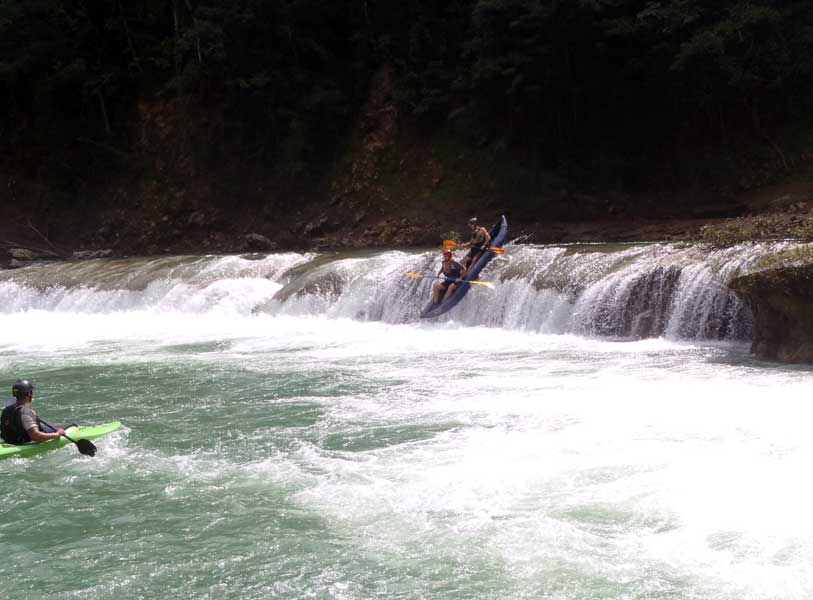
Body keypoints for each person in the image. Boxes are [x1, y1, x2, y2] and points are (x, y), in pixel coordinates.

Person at [0, 379, 66, 445]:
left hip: (10, 441)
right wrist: (57, 434)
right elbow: (35, 436)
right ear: (29, 394)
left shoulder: (6, 409)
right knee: (66, 426)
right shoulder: (26, 412)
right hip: (24, 442)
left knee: (55, 425)